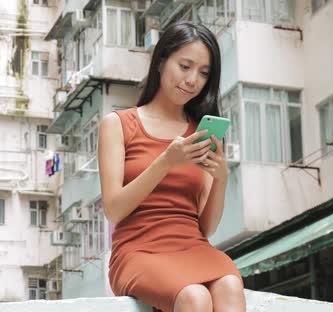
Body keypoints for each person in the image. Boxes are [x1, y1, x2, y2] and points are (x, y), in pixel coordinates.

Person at [97, 21, 246, 312]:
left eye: (204, 73)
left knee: (229, 284)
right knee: (194, 297)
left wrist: (221, 179)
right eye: (185, 66)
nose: (192, 80)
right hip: (138, 250)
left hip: (192, 245)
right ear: (161, 61)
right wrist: (166, 161)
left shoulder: (202, 134)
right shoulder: (118, 125)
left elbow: (206, 227)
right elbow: (113, 209)